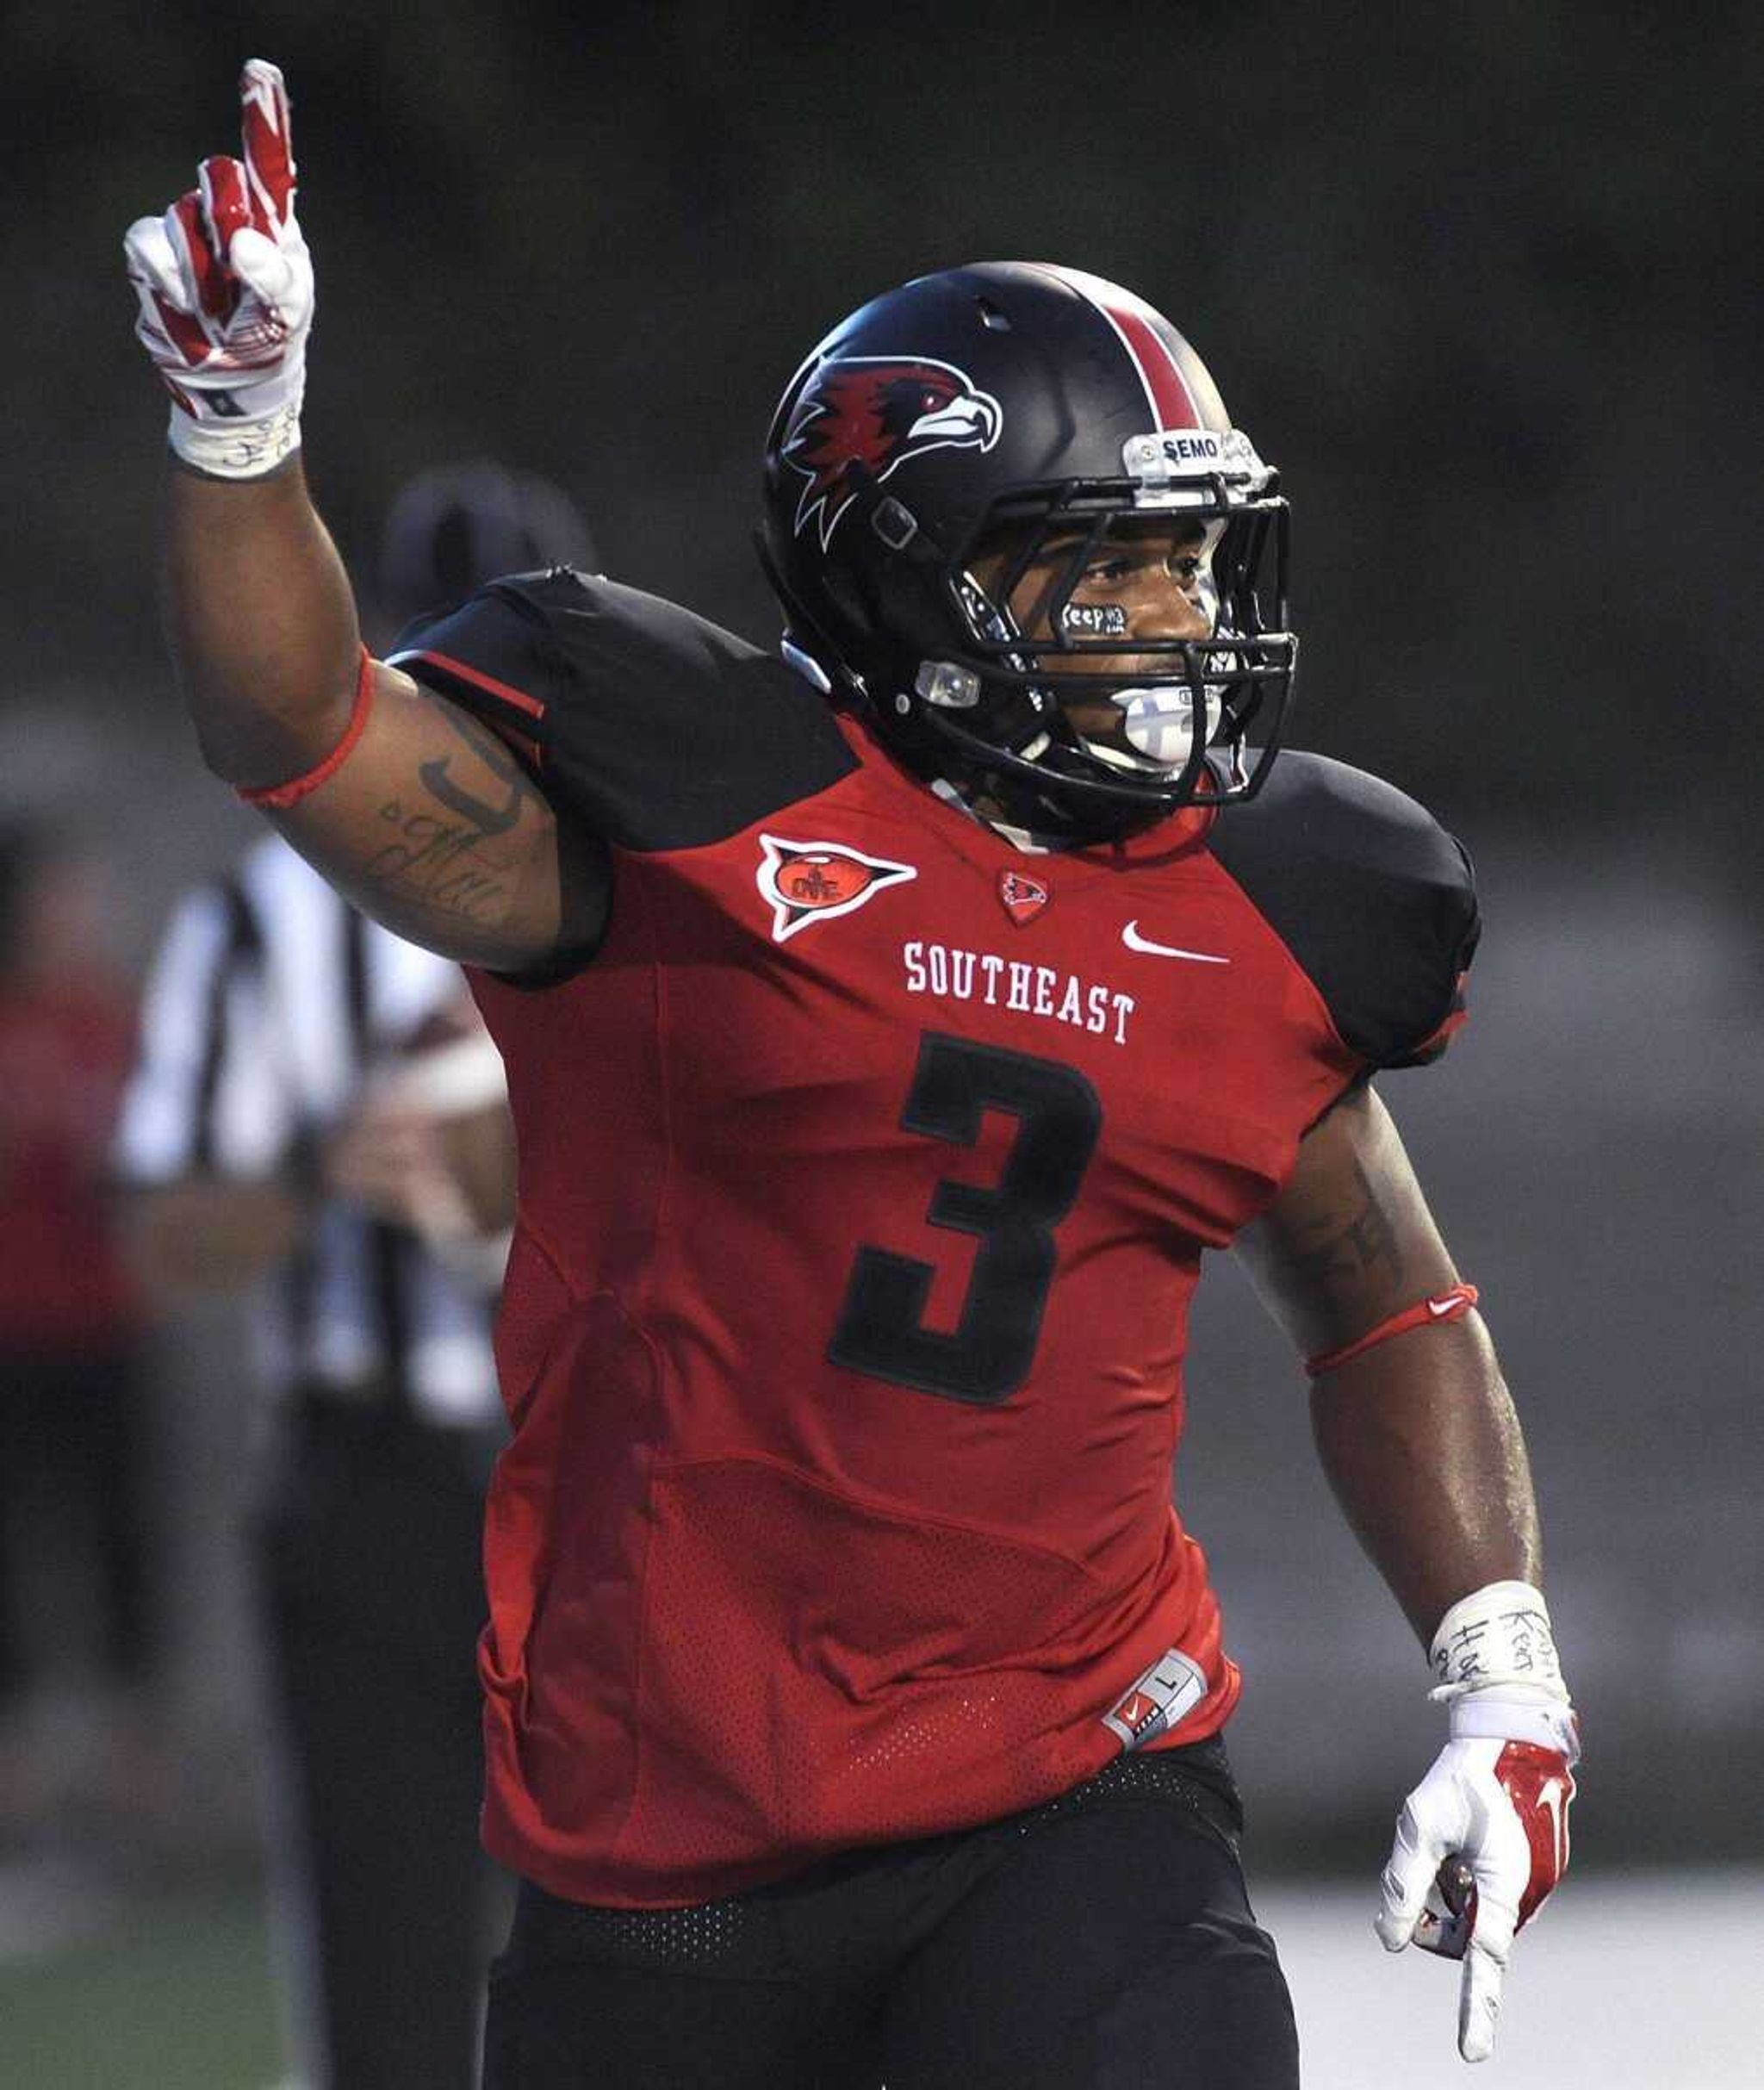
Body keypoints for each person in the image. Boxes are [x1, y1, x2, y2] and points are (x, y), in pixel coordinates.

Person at [121, 62, 1581, 2087]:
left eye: (1192, 559)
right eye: (1110, 568)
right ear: (912, 574)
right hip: (664, 1855)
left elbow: (1378, 1287)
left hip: (1076, 1797)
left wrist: (1500, 1674)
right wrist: (235, 426)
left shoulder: (1271, 905)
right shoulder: (683, 812)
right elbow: (294, 732)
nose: (1179, 622)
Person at [0, 822, 157, 1843]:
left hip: (104, 1326)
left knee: (124, 1552)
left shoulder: (114, 1021)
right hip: (14, 1333)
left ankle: (133, 1799)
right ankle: (19, 1803)